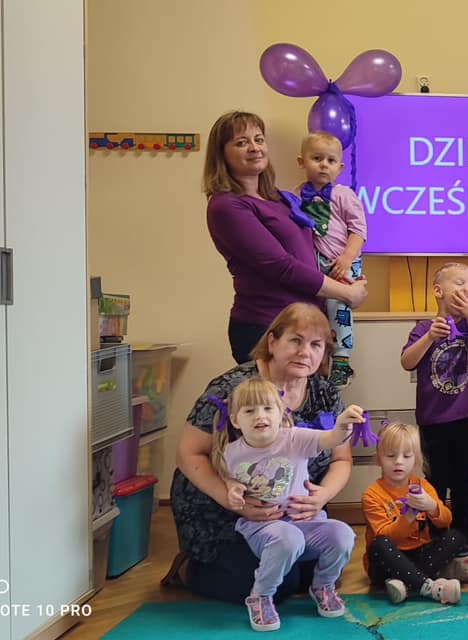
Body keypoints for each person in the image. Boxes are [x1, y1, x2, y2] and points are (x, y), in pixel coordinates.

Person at [167, 302, 354, 604]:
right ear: (272, 342)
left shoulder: (325, 392)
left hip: (290, 515)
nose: (305, 352)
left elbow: (342, 459)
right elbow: (188, 454)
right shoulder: (232, 387)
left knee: (318, 567)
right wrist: (234, 501)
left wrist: (322, 496)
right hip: (223, 509)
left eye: (315, 345)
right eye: (295, 340)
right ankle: (188, 569)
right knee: (282, 585)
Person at [201, 111, 367, 364]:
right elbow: (281, 266)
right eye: (242, 142)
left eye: (259, 139)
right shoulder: (227, 206)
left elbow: (313, 248)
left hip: (306, 324)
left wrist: (346, 275)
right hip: (267, 325)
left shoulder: (279, 197)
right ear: (221, 153)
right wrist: (346, 293)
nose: (254, 148)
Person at [211, 378, 362, 631]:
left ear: (281, 412)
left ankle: (323, 586)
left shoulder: (295, 438)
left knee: (343, 535)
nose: (260, 416)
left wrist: (343, 424)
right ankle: (260, 596)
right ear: (236, 420)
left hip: (305, 523)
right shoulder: (231, 452)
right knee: (289, 538)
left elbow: (332, 438)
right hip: (263, 528)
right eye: (250, 411)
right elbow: (230, 480)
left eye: (267, 408)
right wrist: (234, 490)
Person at [399, 262, 468, 556]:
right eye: (459, 283)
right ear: (438, 291)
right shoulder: (422, 328)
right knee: (436, 479)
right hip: (432, 420)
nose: (467, 290)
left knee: (462, 477)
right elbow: (407, 362)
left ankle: (461, 534)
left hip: (465, 417)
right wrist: (429, 337)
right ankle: (437, 533)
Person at [292, 132, 367, 386]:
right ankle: (315, 358)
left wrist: (347, 258)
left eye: (331, 160)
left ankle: (342, 360)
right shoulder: (296, 196)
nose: (324, 165)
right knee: (311, 311)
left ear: (340, 167)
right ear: (302, 162)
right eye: (317, 158)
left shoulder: (344, 195)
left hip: (341, 261)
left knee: (339, 306)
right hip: (314, 263)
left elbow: (359, 231)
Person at [362, 421, 464, 605]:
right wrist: (408, 516)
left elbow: (445, 521)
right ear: (378, 459)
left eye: (406, 456)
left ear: (416, 459)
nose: (398, 461)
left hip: (419, 554)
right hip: (386, 562)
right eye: (391, 455)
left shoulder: (422, 485)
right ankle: (429, 587)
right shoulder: (372, 494)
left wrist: (432, 506)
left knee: (456, 537)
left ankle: (405, 583)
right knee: (379, 545)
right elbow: (386, 538)